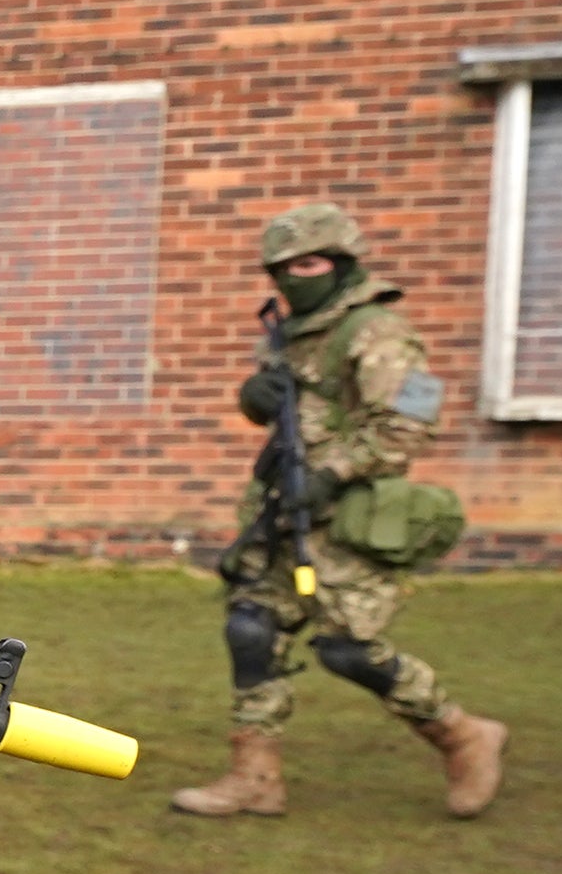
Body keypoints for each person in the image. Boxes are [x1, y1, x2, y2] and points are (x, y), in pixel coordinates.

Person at [170, 201, 506, 820]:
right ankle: (255, 780)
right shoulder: (290, 334)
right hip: (283, 512)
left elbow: (409, 426)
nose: (300, 275)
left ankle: (463, 735)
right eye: (287, 267)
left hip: (350, 517)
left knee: (349, 649)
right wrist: (254, 398)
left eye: (314, 262)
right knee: (251, 628)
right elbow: (290, 413)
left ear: (344, 263)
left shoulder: (378, 331)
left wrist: (331, 474)